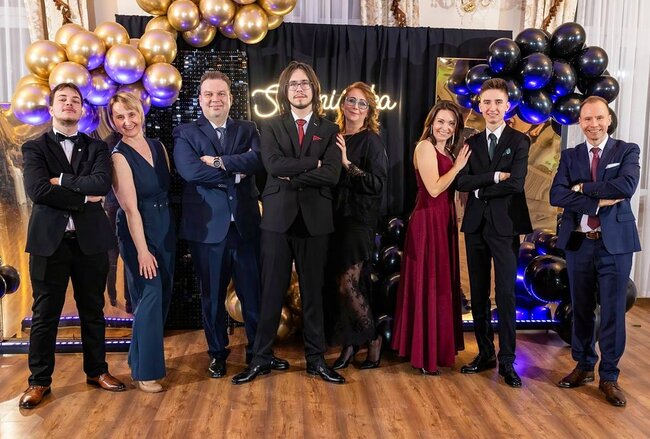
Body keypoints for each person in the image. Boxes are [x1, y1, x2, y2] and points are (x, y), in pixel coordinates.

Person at [232, 61, 343, 385]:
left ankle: (315, 360)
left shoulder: (330, 129)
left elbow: (332, 174)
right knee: (270, 293)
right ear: (285, 91)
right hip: (277, 222)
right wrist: (312, 165)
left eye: (304, 83)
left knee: (313, 294)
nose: (299, 89)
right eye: (293, 84)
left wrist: (293, 176)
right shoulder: (270, 127)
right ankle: (261, 358)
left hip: (315, 223)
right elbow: (272, 164)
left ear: (314, 89)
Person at [19, 83, 125, 409]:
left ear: (81, 110)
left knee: (93, 310)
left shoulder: (97, 147)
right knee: (44, 314)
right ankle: (39, 381)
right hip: (48, 243)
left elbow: (101, 185)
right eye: (62, 99)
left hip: (90, 241)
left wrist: (62, 181)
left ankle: (97, 371)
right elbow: (38, 190)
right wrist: (83, 198)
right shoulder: (34, 148)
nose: (69, 103)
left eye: (75, 100)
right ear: (51, 109)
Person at [173, 71, 276, 379]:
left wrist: (219, 162)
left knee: (252, 295)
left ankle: (258, 353)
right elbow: (191, 172)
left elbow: (258, 161)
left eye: (221, 94)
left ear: (231, 98)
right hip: (207, 231)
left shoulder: (248, 128)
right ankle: (217, 354)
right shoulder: (185, 133)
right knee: (212, 298)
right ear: (200, 99)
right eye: (209, 94)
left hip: (245, 228)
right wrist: (236, 172)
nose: (215, 99)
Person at [550, 95, 641, 407]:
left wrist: (582, 188)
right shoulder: (570, 156)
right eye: (587, 118)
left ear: (609, 119)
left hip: (615, 244)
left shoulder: (626, 150)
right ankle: (584, 365)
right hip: (579, 243)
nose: (593, 124)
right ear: (579, 122)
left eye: (599, 118)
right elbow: (556, 194)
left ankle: (610, 376)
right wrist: (598, 200)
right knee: (582, 307)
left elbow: (626, 186)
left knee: (613, 310)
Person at [456, 78, 532, 388]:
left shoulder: (519, 140)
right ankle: (485, 353)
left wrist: (481, 189)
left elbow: (516, 184)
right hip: (475, 227)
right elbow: (461, 182)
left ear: (507, 106)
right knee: (477, 293)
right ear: (480, 105)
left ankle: (508, 361)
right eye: (487, 102)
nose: (492, 108)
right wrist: (495, 176)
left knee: (505, 295)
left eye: (498, 102)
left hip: (505, 227)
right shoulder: (471, 143)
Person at [391, 101, 470, 374]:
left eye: (451, 123)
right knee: (429, 282)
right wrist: (457, 167)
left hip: (443, 220)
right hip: (427, 221)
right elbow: (434, 189)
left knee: (440, 285)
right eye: (441, 121)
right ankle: (424, 354)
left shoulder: (446, 150)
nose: (445, 127)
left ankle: (436, 349)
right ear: (431, 122)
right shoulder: (425, 147)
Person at [109, 92, 176, 393]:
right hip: (138, 230)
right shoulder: (118, 156)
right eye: (119, 117)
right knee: (149, 297)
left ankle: (138, 359)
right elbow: (131, 209)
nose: (127, 122)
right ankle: (146, 373)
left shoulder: (158, 146)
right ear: (113, 121)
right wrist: (143, 252)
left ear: (141, 113)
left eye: (131, 114)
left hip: (165, 226)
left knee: (163, 295)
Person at [326, 82, 388, 370]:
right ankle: (350, 344)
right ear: (342, 103)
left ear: (369, 110)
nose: (355, 106)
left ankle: (373, 339)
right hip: (334, 220)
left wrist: (346, 163)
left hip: (359, 221)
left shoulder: (371, 140)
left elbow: (377, 184)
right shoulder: (335, 135)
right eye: (351, 100)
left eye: (362, 103)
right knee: (340, 287)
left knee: (348, 283)